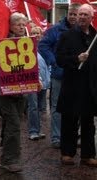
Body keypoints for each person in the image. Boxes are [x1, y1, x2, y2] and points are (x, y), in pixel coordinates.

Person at [56, 3, 97, 167]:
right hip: (72, 85)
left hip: (90, 86)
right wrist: (76, 59)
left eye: (85, 15)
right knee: (69, 121)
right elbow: (59, 59)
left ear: (91, 17)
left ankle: (88, 155)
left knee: (88, 122)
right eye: (80, 14)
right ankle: (67, 153)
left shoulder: (95, 36)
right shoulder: (67, 36)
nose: (81, 17)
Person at [38, 3, 80, 149]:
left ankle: (73, 136)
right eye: (72, 14)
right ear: (67, 14)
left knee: (76, 106)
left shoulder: (84, 31)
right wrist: (53, 62)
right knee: (56, 107)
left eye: (77, 14)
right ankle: (57, 137)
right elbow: (42, 46)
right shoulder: (55, 30)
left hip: (76, 75)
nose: (74, 17)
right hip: (59, 74)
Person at [0, 12, 28, 172]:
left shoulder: (27, 43)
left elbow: (31, 66)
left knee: (12, 125)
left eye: (23, 24)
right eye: (18, 24)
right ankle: (9, 160)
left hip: (21, 90)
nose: (22, 27)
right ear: (11, 26)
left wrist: (38, 80)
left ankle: (6, 156)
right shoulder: (2, 42)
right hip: (4, 90)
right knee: (13, 124)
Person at [27, 26, 50, 140]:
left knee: (41, 108)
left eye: (37, 33)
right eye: (33, 33)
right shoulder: (26, 48)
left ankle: (39, 129)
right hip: (32, 81)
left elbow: (48, 65)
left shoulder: (45, 49)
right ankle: (33, 131)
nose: (35, 35)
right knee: (33, 107)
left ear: (41, 35)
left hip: (44, 82)